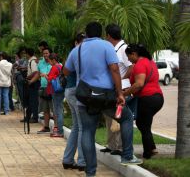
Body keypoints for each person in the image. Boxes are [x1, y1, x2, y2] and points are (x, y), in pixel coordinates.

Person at [63, 22, 142, 177]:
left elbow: (66, 71)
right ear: (101, 34)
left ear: (86, 34)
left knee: (87, 131)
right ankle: (127, 155)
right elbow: (114, 69)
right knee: (126, 118)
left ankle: (90, 173)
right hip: (106, 97)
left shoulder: (77, 50)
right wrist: (120, 93)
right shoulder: (107, 46)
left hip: (84, 99)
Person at [123, 44, 164, 159]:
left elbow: (139, 84)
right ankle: (152, 148)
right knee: (144, 124)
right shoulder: (150, 62)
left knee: (143, 125)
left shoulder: (140, 64)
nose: (128, 59)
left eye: (128, 56)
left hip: (147, 98)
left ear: (134, 54)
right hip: (158, 97)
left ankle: (148, 153)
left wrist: (124, 93)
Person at [100, 23, 133, 155]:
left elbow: (131, 67)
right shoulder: (112, 48)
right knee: (110, 118)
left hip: (123, 89)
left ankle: (119, 146)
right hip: (112, 89)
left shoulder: (124, 49)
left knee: (119, 117)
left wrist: (120, 79)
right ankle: (111, 145)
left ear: (108, 35)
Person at [62, 33, 86, 171]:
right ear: (76, 42)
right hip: (75, 91)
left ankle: (68, 159)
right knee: (82, 127)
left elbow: (65, 71)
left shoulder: (73, 54)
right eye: (82, 41)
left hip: (70, 91)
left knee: (76, 126)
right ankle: (82, 161)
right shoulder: (77, 53)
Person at [45, 53, 64, 137]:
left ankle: (60, 131)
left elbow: (50, 80)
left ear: (53, 60)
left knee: (57, 111)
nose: (49, 62)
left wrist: (45, 76)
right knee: (60, 109)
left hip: (55, 90)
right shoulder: (60, 66)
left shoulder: (54, 67)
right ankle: (59, 130)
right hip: (61, 90)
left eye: (49, 60)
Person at [34, 48, 53, 134]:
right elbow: (38, 74)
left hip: (52, 88)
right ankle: (46, 127)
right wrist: (31, 81)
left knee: (54, 109)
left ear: (50, 54)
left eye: (47, 53)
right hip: (43, 87)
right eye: (44, 53)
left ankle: (56, 127)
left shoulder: (53, 63)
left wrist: (46, 75)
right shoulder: (40, 63)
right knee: (45, 109)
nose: (45, 55)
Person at [25, 48, 40, 123]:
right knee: (31, 100)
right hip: (32, 82)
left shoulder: (33, 61)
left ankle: (35, 117)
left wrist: (28, 77)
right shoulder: (31, 61)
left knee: (33, 100)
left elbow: (35, 72)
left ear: (28, 54)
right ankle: (29, 116)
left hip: (34, 82)